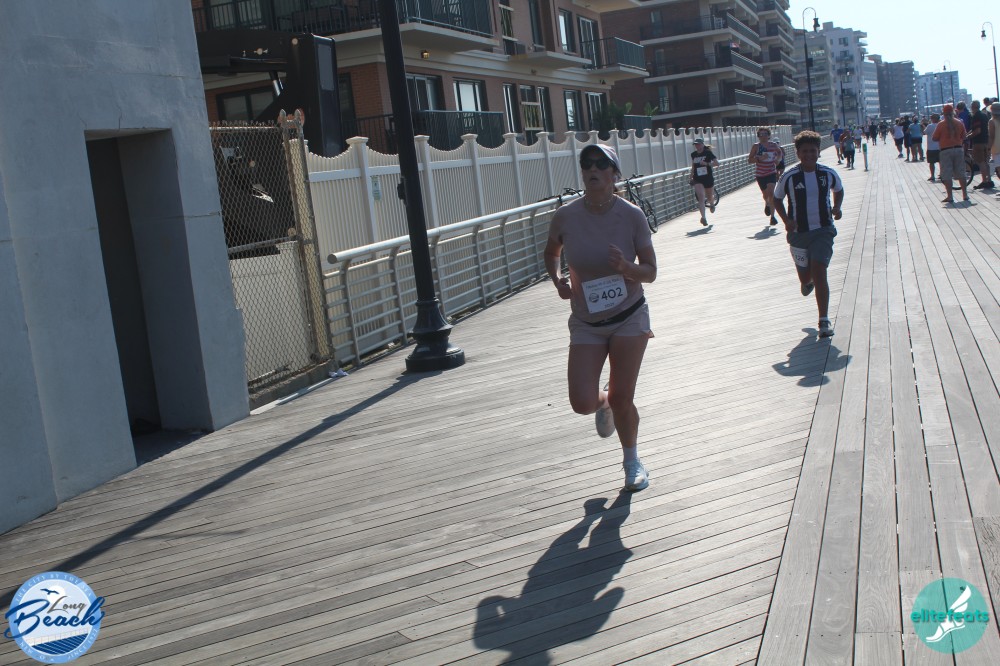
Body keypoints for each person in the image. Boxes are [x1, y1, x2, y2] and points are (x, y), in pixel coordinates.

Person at [544, 144, 657, 492]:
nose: (593, 169)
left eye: (601, 164)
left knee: (624, 397)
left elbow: (651, 272)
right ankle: (603, 401)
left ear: (614, 174)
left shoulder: (632, 215)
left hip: (629, 316)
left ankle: (632, 463)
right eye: (587, 164)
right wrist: (558, 281)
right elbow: (551, 252)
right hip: (587, 321)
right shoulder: (566, 216)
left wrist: (626, 267)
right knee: (581, 402)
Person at [772, 131, 844, 339]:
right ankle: (807, 281)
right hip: (799, 234)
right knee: (806, 277)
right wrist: (786, 220)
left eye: (813, 151)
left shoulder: (828, 173)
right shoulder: (789, 176)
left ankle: (824, 320)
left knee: (819, 270)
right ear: (798, 153)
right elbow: (777, 199)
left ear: (818, 152)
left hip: (823, 230)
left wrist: (837, 207)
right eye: (805, 151)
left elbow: (839, 190)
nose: (809, 155)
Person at [932, 104, 969, 203]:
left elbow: (934, 138)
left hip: (945, 150)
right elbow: (964, 136)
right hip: (958, 149)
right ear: (953, 112)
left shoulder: (941, 124)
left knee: (947, 173)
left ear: (943, 114)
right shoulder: (959, 123)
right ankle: (965, 195)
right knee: (961, 172)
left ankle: (950, 196)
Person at [748, 127, 785, 226]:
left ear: (769, 135)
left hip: (771, 172)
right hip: (760, 174)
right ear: (758, 136)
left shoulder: (773, 145)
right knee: (765, 195)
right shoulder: (756, 146)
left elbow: (780, 153)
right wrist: (759, 159)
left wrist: (778, 159)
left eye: (765, 134)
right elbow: (749, 160)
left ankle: (773, 217)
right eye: (761, 134)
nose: (763, 136)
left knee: (771, 193)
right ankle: (767, 203)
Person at [689, 137, 720, 226]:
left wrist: (707, 164)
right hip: (697, 178)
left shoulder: (708, 153)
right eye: (695, 145)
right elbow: (693, 166)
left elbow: (717, 163)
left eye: (698, 144)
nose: (697, 146)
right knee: (701, 198)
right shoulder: (693, 154)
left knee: (709, 197)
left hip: (707, 178)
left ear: (702, 144)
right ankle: (703, 218)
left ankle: (712, 204)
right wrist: (691, 177)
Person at [967, 100, 994, 189]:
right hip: (986, 141)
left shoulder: (976, 116)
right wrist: (968, 134)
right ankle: (989, 180)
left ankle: (984, 181)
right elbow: (975, 129)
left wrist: (968, 137)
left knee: (980, 162)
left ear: (973, 107)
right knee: (986, 161)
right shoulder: (984, 115)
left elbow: (977, 130)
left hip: (978, 142)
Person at [925, 113, 941, 182]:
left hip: (931, 147)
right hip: (940, 147)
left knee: (931, 163)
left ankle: (932, 176)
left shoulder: (930, 126)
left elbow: (925, 132)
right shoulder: (940, 125)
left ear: (933, 119)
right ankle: (941, 174)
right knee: (941, 162)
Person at [989, 102, 1000, 189]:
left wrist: (988, 148)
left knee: (999, 169)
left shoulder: (992, 121)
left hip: (997, 148)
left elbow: (992, 136)